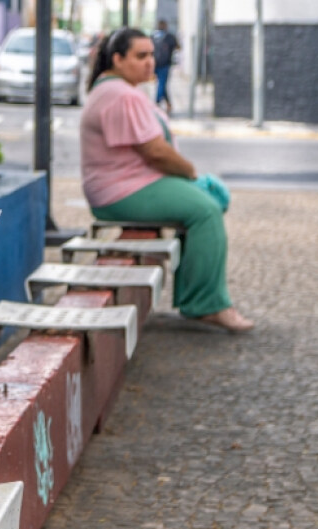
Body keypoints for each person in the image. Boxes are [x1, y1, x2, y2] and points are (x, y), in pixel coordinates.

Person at [80, 28, 254, 332]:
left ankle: (196, 298)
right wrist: (190, 173)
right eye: (140, 56)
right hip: (122, 190)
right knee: (206, 211)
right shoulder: (121, 95)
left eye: (152, 55)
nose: (150, 62)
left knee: (202, 205)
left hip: (124, 185)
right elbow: (155, 151)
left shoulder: (113, 89)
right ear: (118, 59)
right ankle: (206, 304)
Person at [151, 20, 179, 114]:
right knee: (162, 84)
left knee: (162, 84)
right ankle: (157, 102)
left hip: (155, 64)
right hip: (165, 64)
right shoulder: (169, 37)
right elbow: (178, 47)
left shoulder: (152, 37)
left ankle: (168, 104)